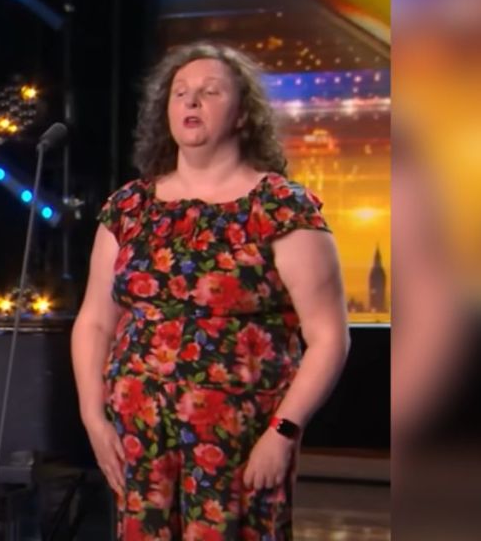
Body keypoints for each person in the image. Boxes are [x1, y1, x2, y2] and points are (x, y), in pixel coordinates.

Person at [71, 42, 350, 539]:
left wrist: (283, 432)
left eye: (209, 92)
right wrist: (94, 418)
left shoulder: (280, 208)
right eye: (180, 93)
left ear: (243, 114)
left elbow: (329, 338)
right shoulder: (130, 207)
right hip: (139, 438)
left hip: (242, 442)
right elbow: (95, 320)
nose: (191, 102)